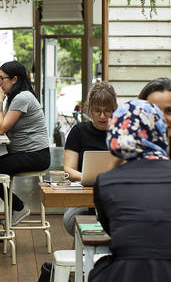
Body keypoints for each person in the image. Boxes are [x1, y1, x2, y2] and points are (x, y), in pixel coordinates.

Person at [89, 99, 171, 282]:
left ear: (117, 133)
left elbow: (114, 230)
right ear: (160, 130)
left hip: (127, 274)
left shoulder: (106, 182)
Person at [0, 60, 50, 225]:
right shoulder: (16, 97)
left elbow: (0, 128)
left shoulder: (22, 97)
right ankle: (14, 208)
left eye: (2, 79)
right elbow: (1, 125)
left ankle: (19, 207)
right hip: (26, 153)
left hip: (35, 155)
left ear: (14, 79)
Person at [61, 81, 118, 236]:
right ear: (89, 109)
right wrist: (89, 178)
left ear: (114, 110)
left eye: (107, 111)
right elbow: (68, 170)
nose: (102, 116)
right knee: (73, 220)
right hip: (83, 198)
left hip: (116, 198)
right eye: (97, 110)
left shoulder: (121, 134)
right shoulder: (79, 132)